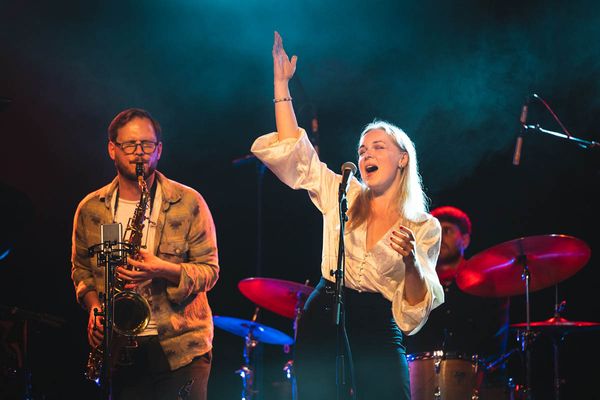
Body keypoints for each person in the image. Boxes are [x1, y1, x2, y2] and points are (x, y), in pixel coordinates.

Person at [250, 32, 444, 400]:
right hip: (324, 309)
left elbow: (415, 306)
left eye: (378, 147)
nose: (367, 153)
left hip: (376, 320)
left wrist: (412, 262)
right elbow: (298, 155)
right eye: (362, 148)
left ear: (403, 159)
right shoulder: (344, 191)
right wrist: (281, 85)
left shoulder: (423, 226)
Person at [71, 108, 219, 399]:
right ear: (112, 149)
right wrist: (94, 309)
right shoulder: (90, 208)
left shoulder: (188, 202)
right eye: (129, 145)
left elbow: (210, 272)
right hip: (120, 350)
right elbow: (81, 270)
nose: (139, 152)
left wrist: (162, 269)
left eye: (147, 145)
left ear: (159, 150)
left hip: (182, 347)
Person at [404, 206, 510, 395]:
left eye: (447, 231)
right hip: (420, 379)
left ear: (465, 240)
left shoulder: (484, 283)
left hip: (475, 380)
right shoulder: (417, 282)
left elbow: (495, 336)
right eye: (434, 232)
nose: (439, 237)